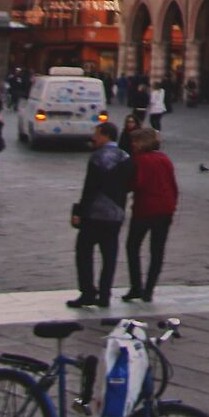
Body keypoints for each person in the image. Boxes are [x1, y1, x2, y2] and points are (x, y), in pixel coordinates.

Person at [68, 122, 129, 309]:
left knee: (84, 252)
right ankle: (104, 295)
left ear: (105, 135)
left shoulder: (97, 157)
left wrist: (79, 211)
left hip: (95, 213)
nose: (93, 138)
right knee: (109, 255)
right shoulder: (125, 157)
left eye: (97, 134)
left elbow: (90, 188)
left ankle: (87, 292)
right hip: (115, 213)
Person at [121, 128, 178, 303]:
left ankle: (136, 286)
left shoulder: (139, 161)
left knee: (132, 247)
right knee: (157, 251)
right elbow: (172, 183)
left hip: (145, 209)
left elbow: (134, 183)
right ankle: (149, 289)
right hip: (165, 209)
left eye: (136, 142)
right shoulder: (164, 159)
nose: (133, 145)